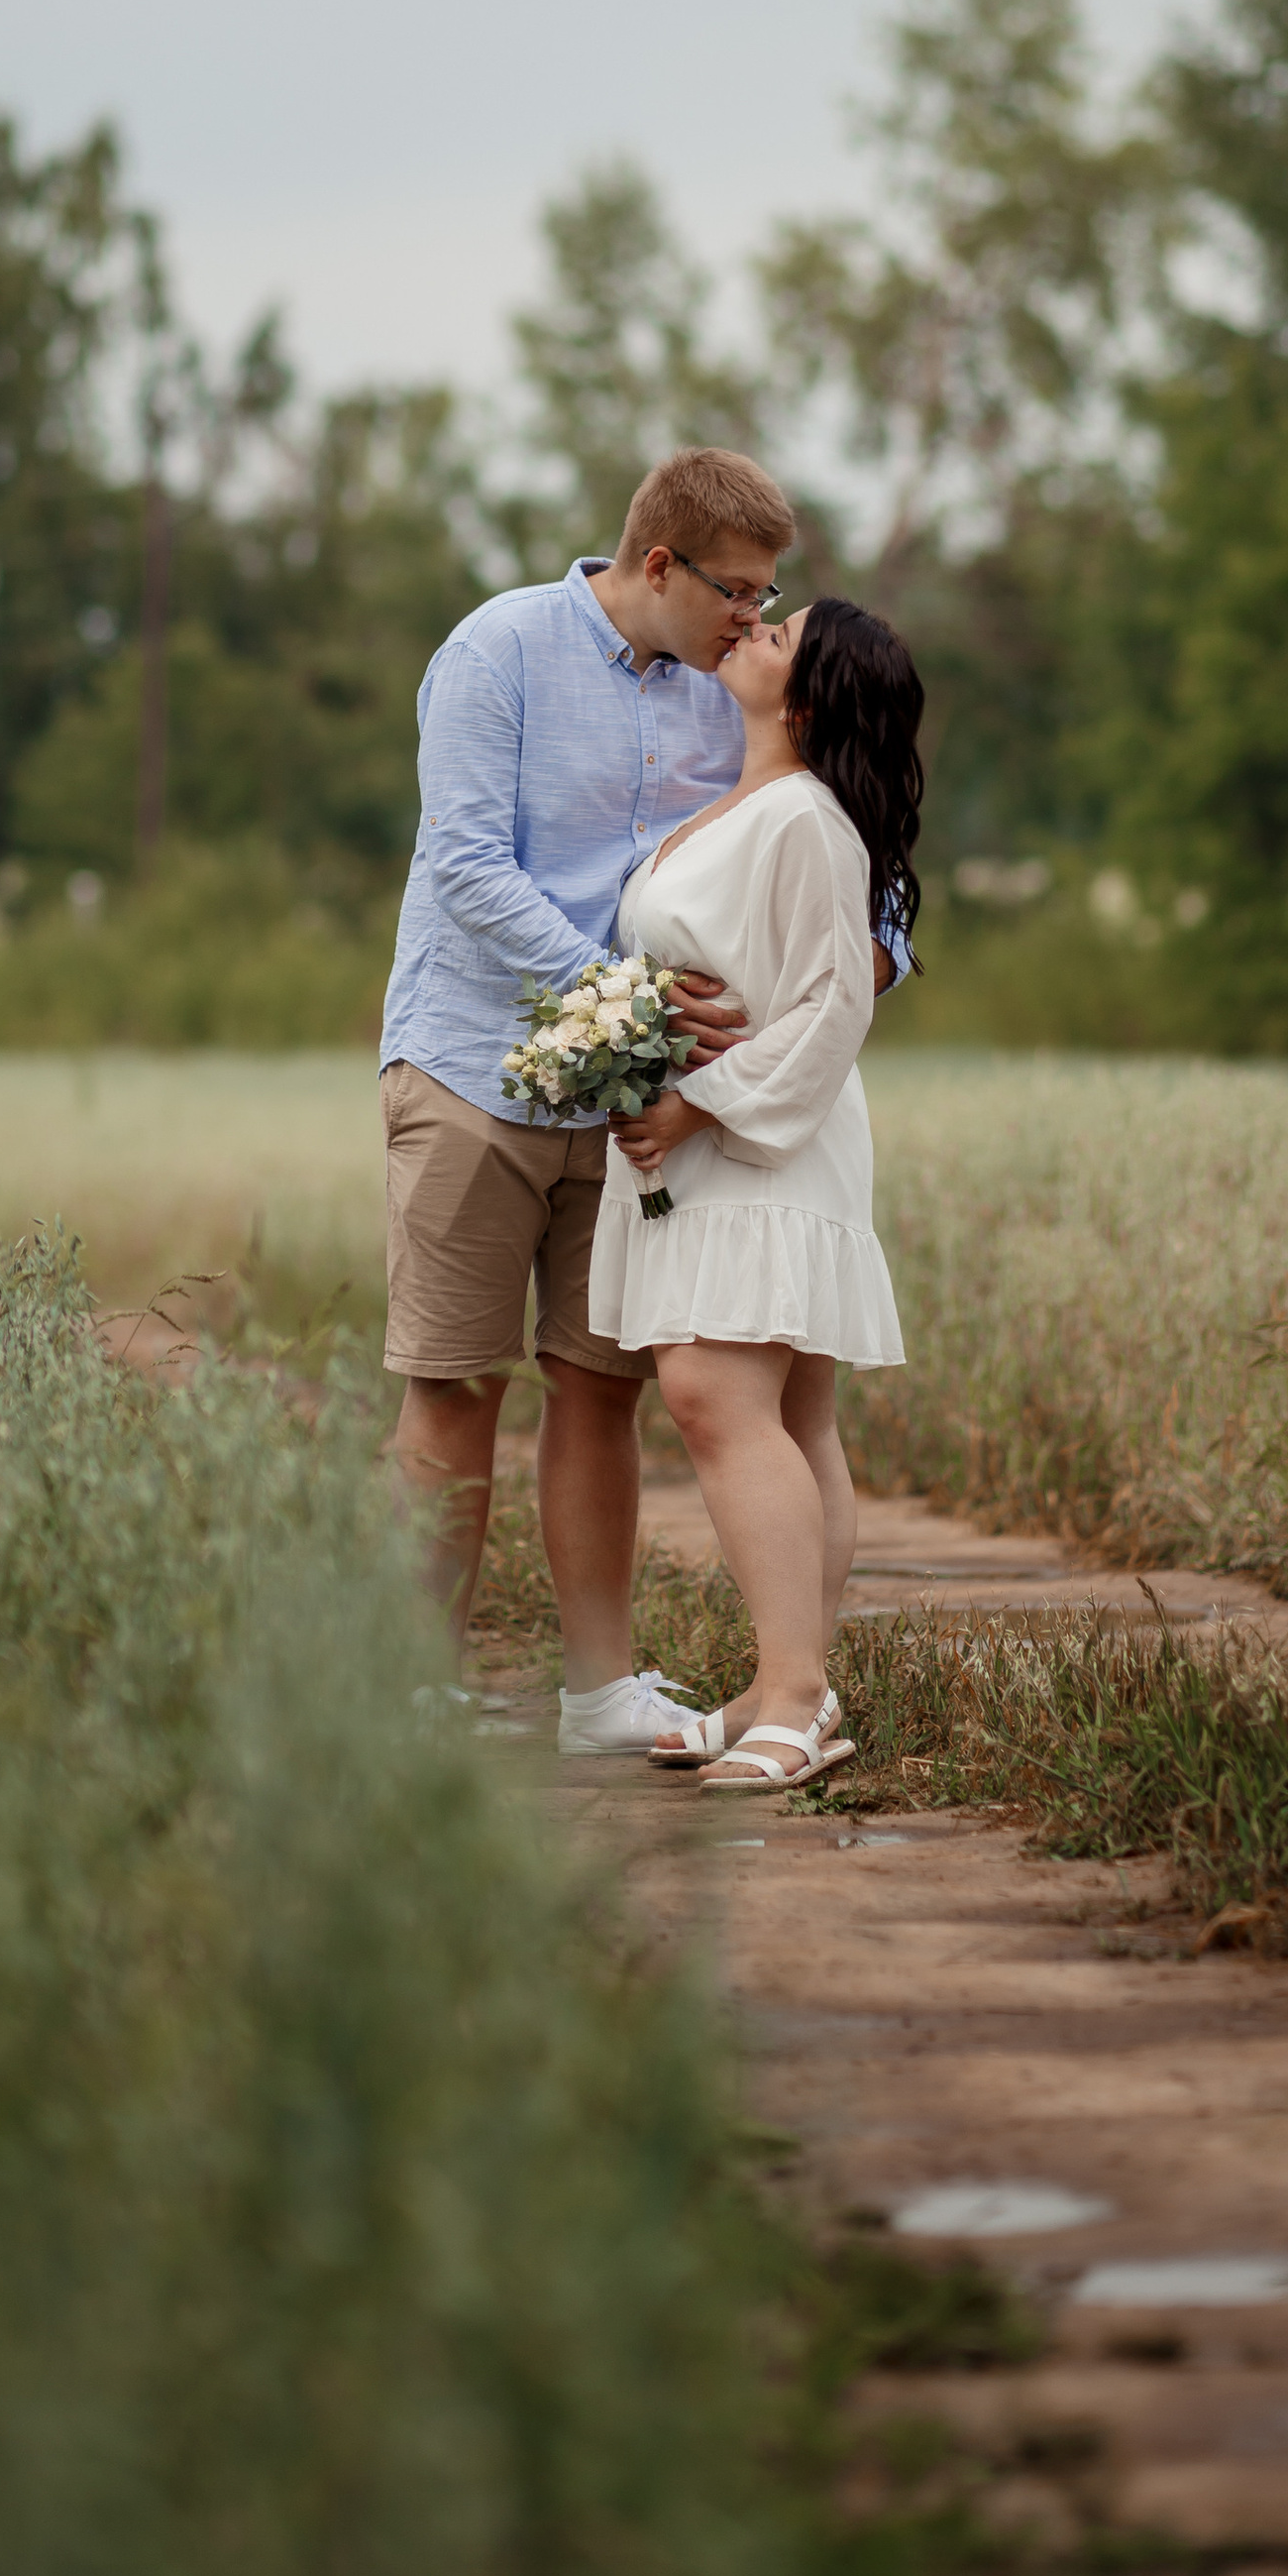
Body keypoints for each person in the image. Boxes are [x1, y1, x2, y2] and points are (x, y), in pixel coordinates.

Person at [381, 446, 863, 1751]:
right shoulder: (497, 654)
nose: (756, 621)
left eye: (767, 597)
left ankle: (596, 1694)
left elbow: (809, 823)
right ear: (661, 564)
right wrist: (625, 1000)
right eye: (739, 592)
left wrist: (860, 960)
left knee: (598, 1387)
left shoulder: (735, 689)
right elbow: (471, 869)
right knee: (451, 1383)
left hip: (644, 1106)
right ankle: (409, 1691)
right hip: (474, 1066)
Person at [595, 595, 923, 1792]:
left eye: (778, 633)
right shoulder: (726, 810)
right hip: (692, 1139)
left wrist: (699, 1104)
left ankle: (794, 1697)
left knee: (710, 1391)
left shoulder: (806, 820)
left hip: (759, 1138)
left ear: (808, 696)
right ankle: (788, 1680)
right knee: (788, 1416)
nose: (752, 627)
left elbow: (837, 1004)